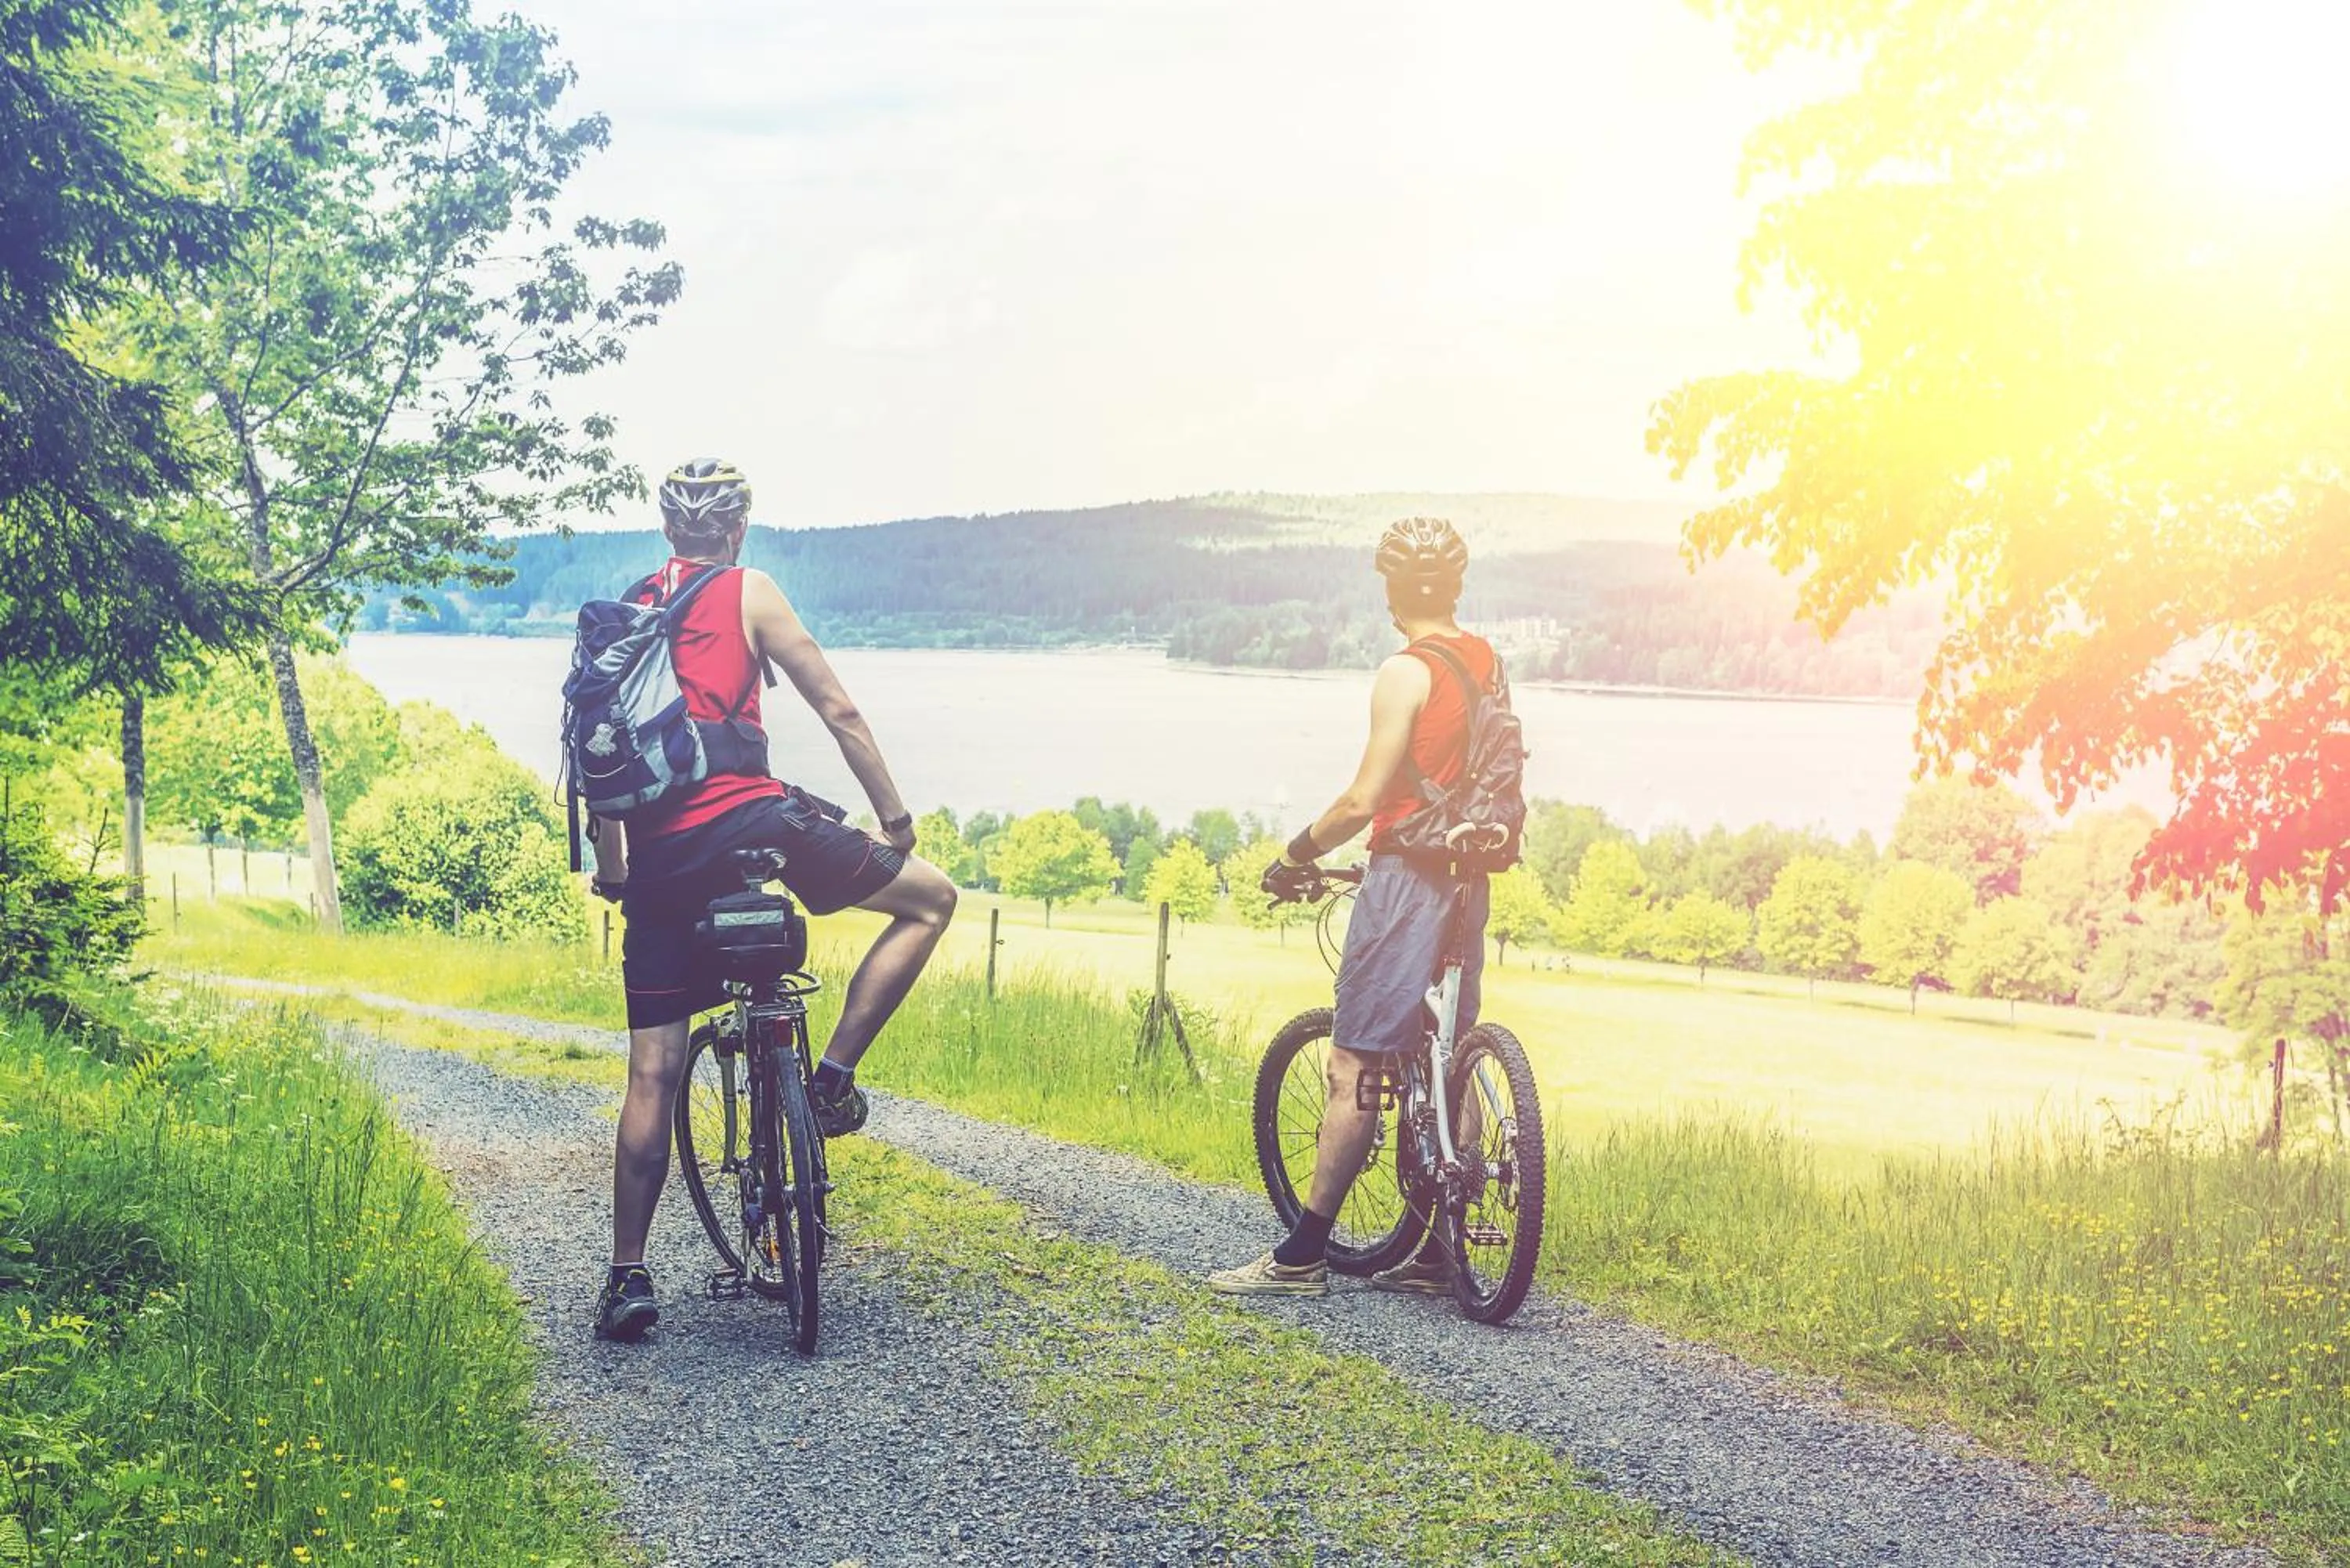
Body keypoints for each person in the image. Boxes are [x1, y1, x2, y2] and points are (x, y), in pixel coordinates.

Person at [587, 458, 957, 1341]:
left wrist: (614, 869)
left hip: (661, 860)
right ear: (737, 529)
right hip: (757, 827)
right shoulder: (749, 591)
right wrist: (894, 822)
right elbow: (840, 710)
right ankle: (827, 1083)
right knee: (931, 902)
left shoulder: (629, 612)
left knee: (651, 1071)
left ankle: (628, 1278)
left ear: (668, 528)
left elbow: (601, 763)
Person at [1206, 516, 1495, 1298]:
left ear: (1393, 590)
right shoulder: (1483, 661)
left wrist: (1297, 852)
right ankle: (1440, 1249)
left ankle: (1300, 1256)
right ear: (1457, 587)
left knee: (1354, 1061)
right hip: (1470, 876)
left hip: (1406, 877)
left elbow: (1365, 800)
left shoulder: (1406, 670)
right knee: (1448, 1056)